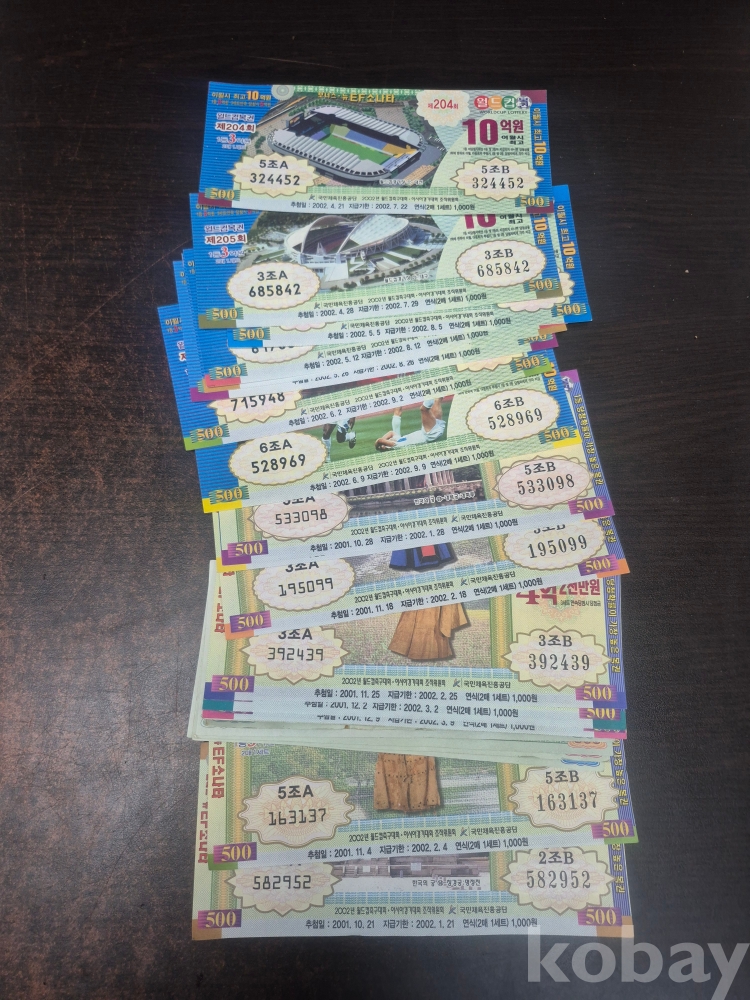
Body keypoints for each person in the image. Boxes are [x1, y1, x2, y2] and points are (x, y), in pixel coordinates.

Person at [375, 398, 445, 451]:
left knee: (437, 400)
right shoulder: (398, 446)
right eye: (388, 440)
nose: (390, 438)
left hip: (430, 430)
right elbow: (379, 441)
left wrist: (383, 444)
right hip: (430, 435)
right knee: (424, 409)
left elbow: (391, 433)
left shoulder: (398, 439)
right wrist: (380, 446)